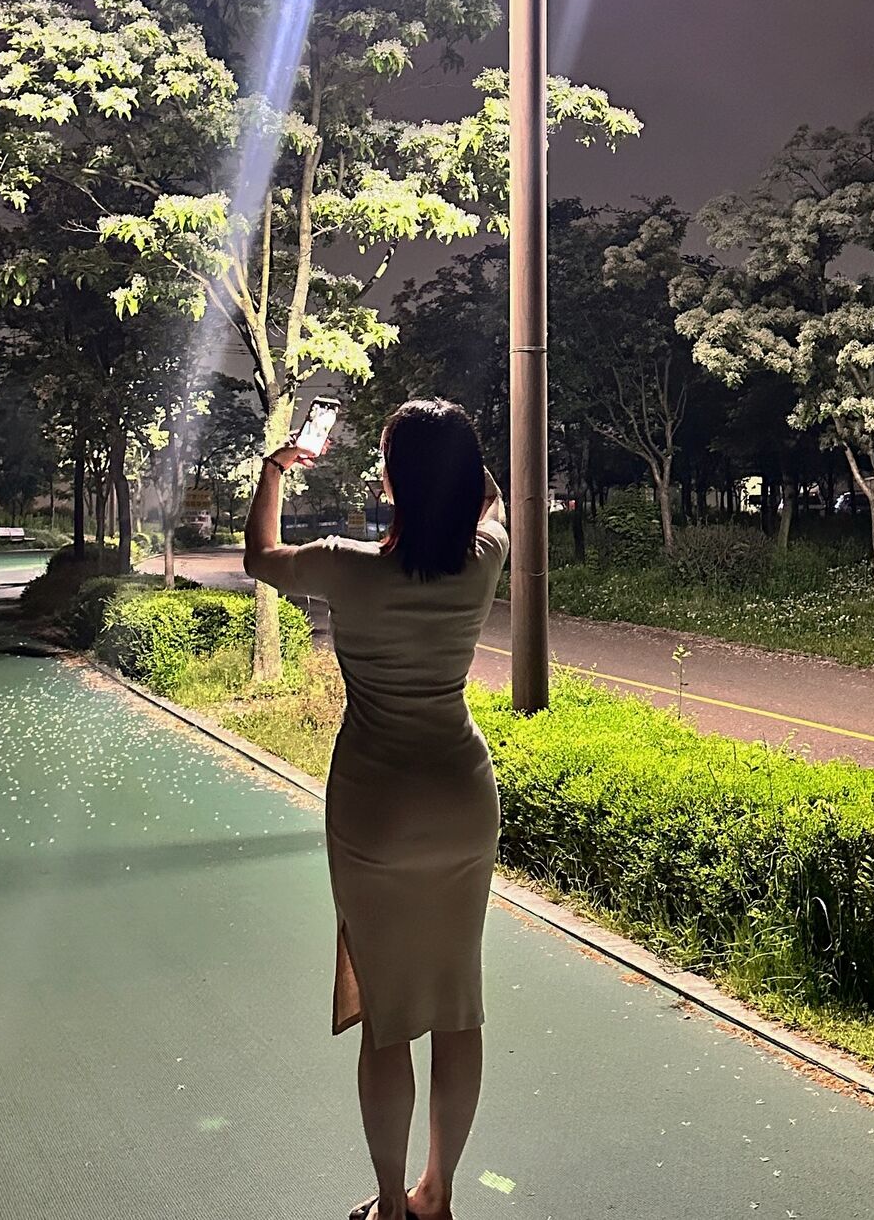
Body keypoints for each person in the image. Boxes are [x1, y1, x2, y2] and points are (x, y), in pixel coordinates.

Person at [244, 399, 510, 1220]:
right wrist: (453, 467)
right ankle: (439, 1196)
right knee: (459, 1006)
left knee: (388, 1020)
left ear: (390, 479)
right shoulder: (485, 557)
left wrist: (276, 469)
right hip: (463, 799)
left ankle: (392, 1207)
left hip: (376, 808)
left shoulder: (344, 566)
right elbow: (492, 500)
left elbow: (259, 556)